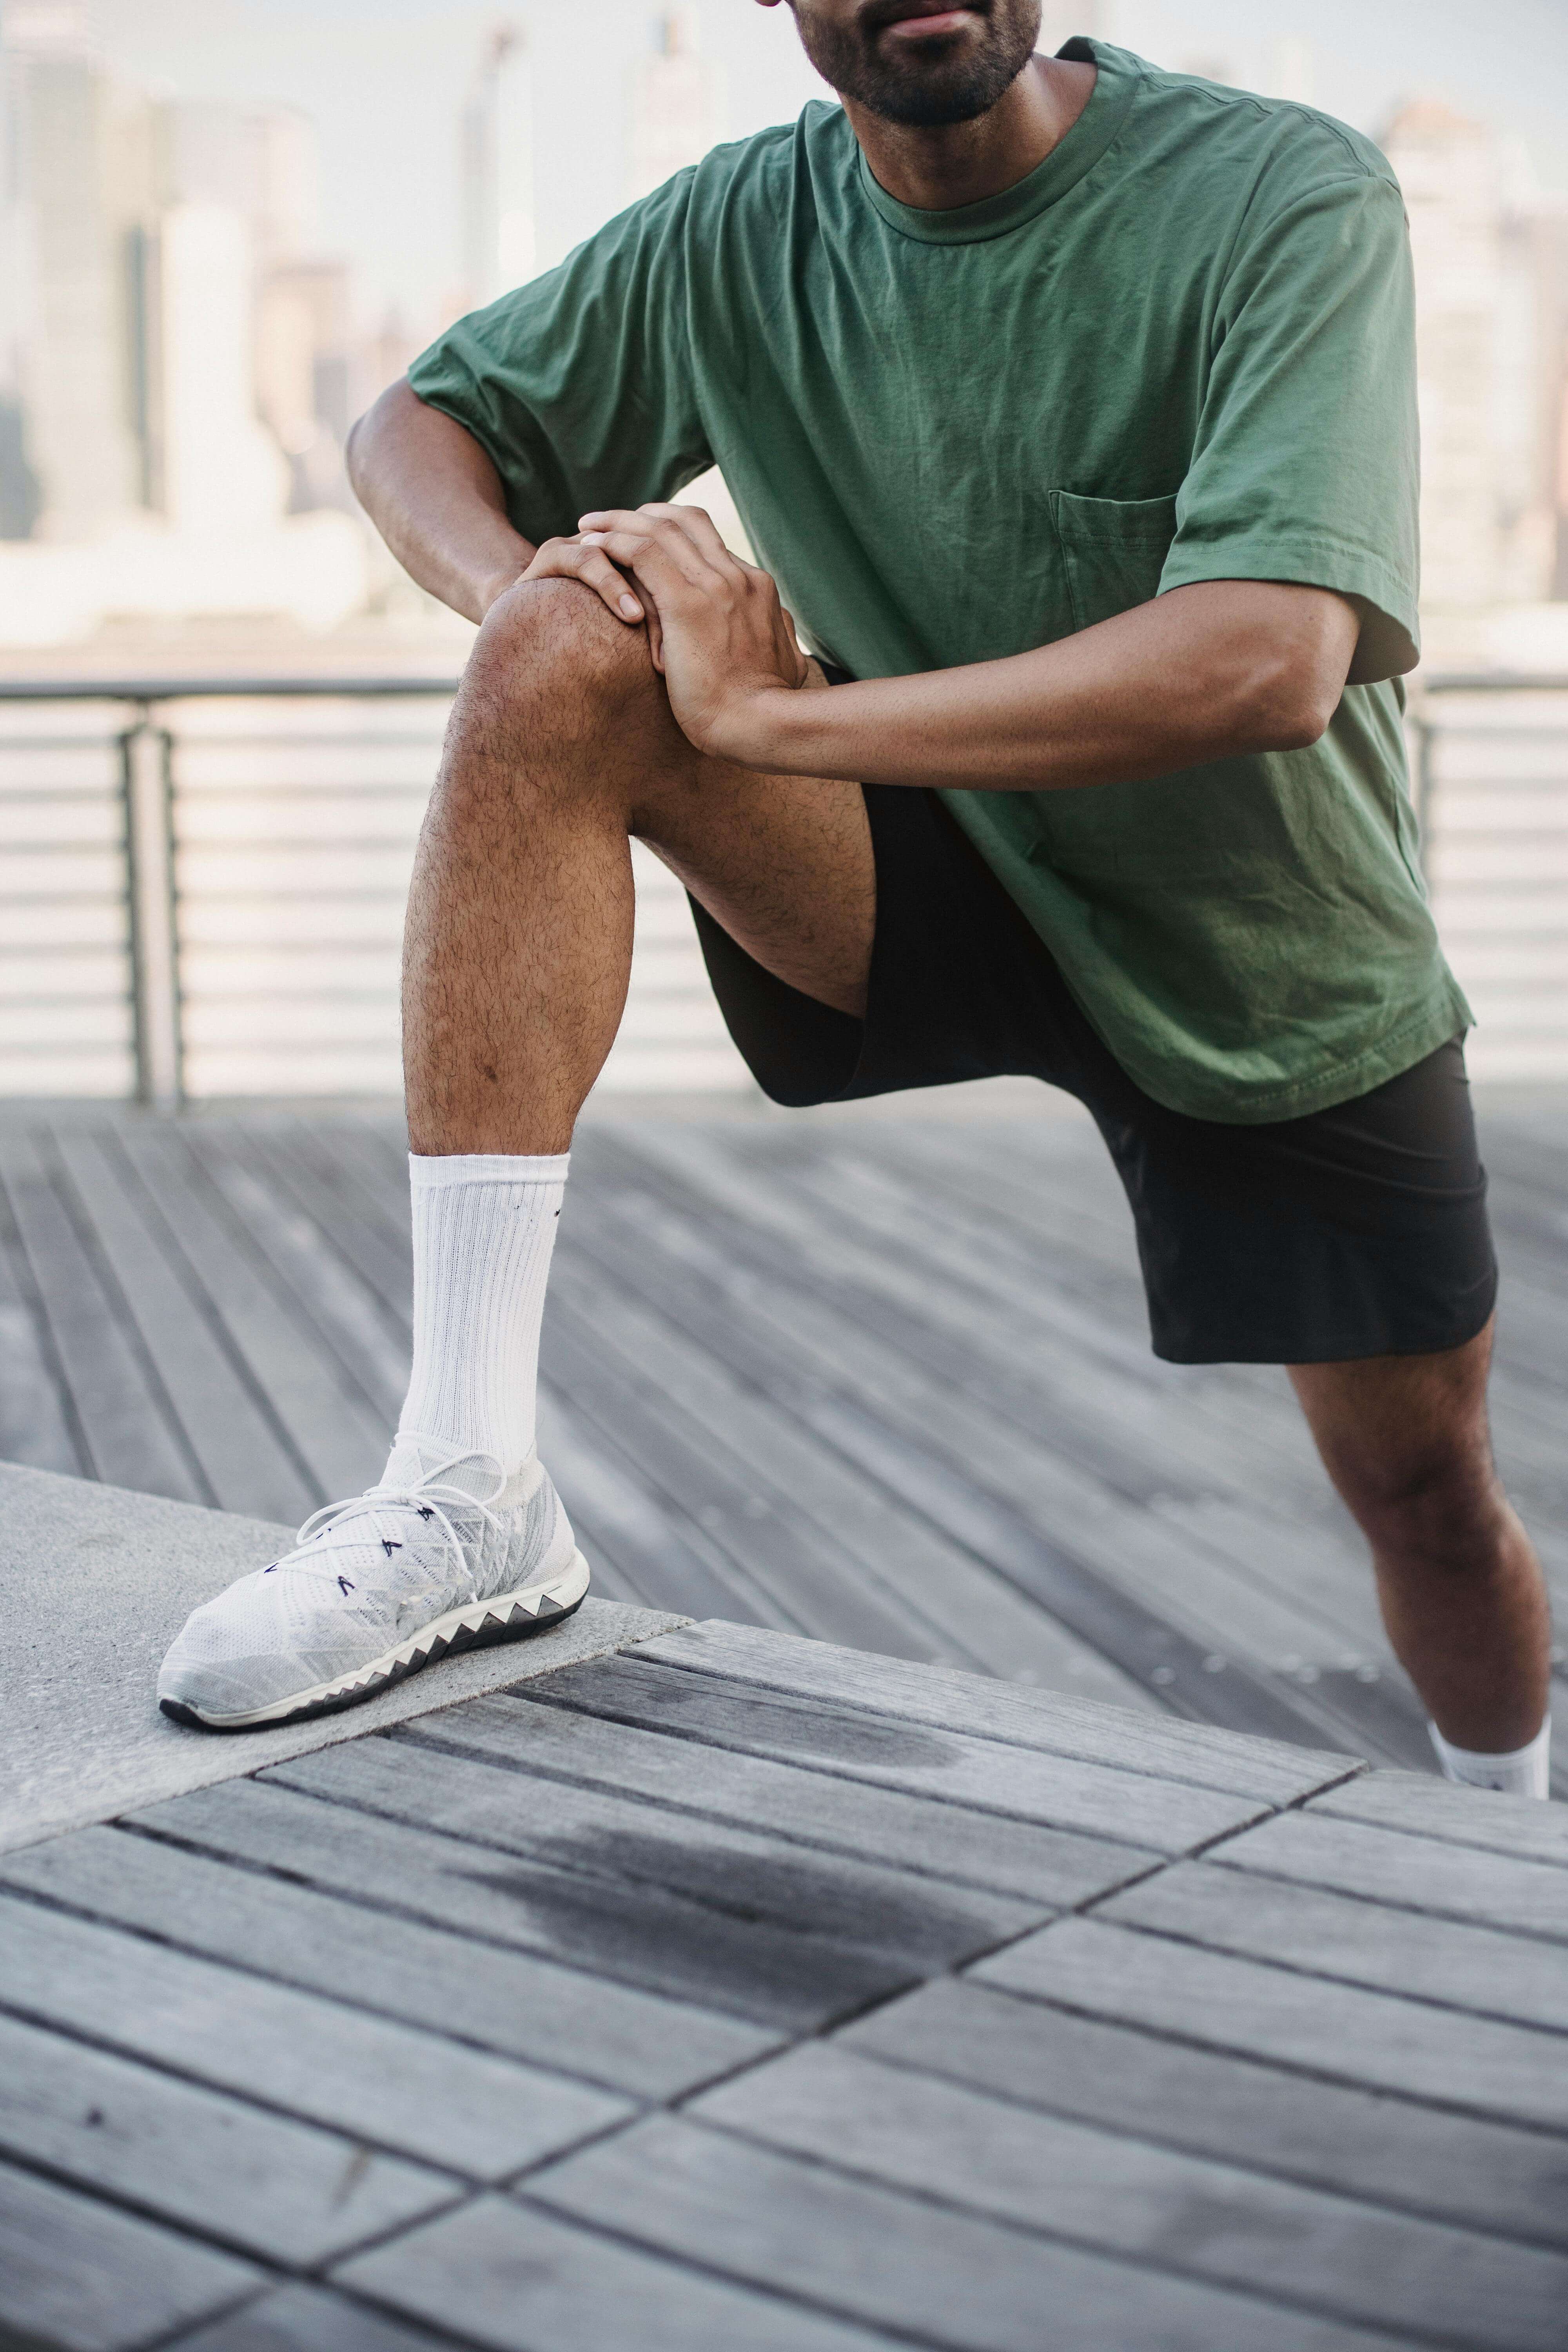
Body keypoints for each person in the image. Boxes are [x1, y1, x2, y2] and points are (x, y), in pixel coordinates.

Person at [158, 2, 1553, 1798]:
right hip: (916, 870)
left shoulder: (1278, 191)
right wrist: (547, 607)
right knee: (550, 652)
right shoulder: (730, 229)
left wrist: (761, 716)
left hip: (1264, 956)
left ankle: (1507, 1838)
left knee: (1426, 1497)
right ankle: (468, 1474)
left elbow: (1267, 660)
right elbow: (405, 426)